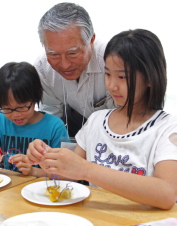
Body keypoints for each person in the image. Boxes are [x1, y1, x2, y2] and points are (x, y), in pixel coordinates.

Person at [27, 29, 177, 210]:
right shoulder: (96, 121)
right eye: (108, 74)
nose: (111, 85)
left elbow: (166, 194)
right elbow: (68, 174)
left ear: (150, 77)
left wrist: (86, 169)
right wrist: (46, 158)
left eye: (122, 77)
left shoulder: (166, 127)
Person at [0, 62, 68, 176]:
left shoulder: (54, 126)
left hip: (44, 191)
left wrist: (33, 171)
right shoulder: (1, 120)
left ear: (36, 96)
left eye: (22, 107)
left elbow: (67, 174)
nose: (15, 115)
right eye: (7, 108)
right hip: (10, 189)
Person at [34, 2, 116, 137]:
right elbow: (51, 113)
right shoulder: (43, 67)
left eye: (72, 53)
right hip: (73, 122)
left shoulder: (110, 60)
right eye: (54, 54)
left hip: (113, 128)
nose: (65, 65)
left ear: (91, 41)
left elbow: (124, 116)